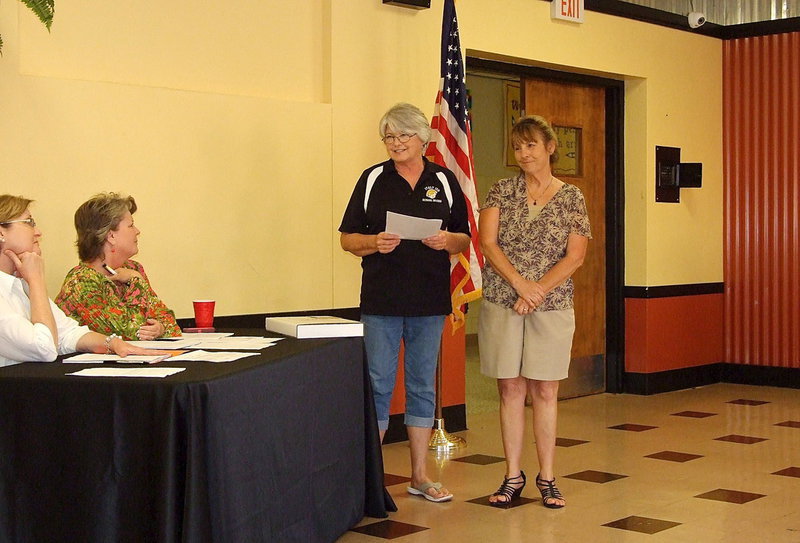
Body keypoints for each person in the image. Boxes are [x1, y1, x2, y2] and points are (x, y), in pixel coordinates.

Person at [339, 103, 471, 503]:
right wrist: (373, 243)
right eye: (389, 137)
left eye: (403, 136)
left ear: (423, 139)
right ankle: (371, 477)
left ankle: (419, 474)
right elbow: (347, 238)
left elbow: (464, 237)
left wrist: (447, 241)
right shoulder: (373, 178)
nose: (396, 144)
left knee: (420, 386)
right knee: (378, 383)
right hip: (381, 300)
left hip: (429, 301)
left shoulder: (444, 180)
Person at [478, 115, 591, 508]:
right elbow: (489, 245)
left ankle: (547, 477)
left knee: (545, 389)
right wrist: (520, 286)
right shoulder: (500, 190)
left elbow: (575, 256)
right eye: (517, 147)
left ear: (550, 147)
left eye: (530, 146)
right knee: (510, 388)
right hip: (503, 299)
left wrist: (537, 290)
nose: (523, 154)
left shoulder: (571, 197)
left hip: (552, 304)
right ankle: (512, 475)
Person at [0, 195, 170, 367]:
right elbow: (44, 348)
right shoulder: (72, 280)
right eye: (29, 222)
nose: (38, 232)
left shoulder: (20, 285)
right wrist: (36, 281)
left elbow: (68, 333)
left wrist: (112, 344)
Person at [55, 193, 180, 341]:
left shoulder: (133, 267)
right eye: (131, 225)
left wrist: (160, 328)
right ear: (111, 236)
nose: (137, 231)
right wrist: (136, 279)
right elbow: (132, 333)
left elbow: (171, 324)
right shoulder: (82, 282)